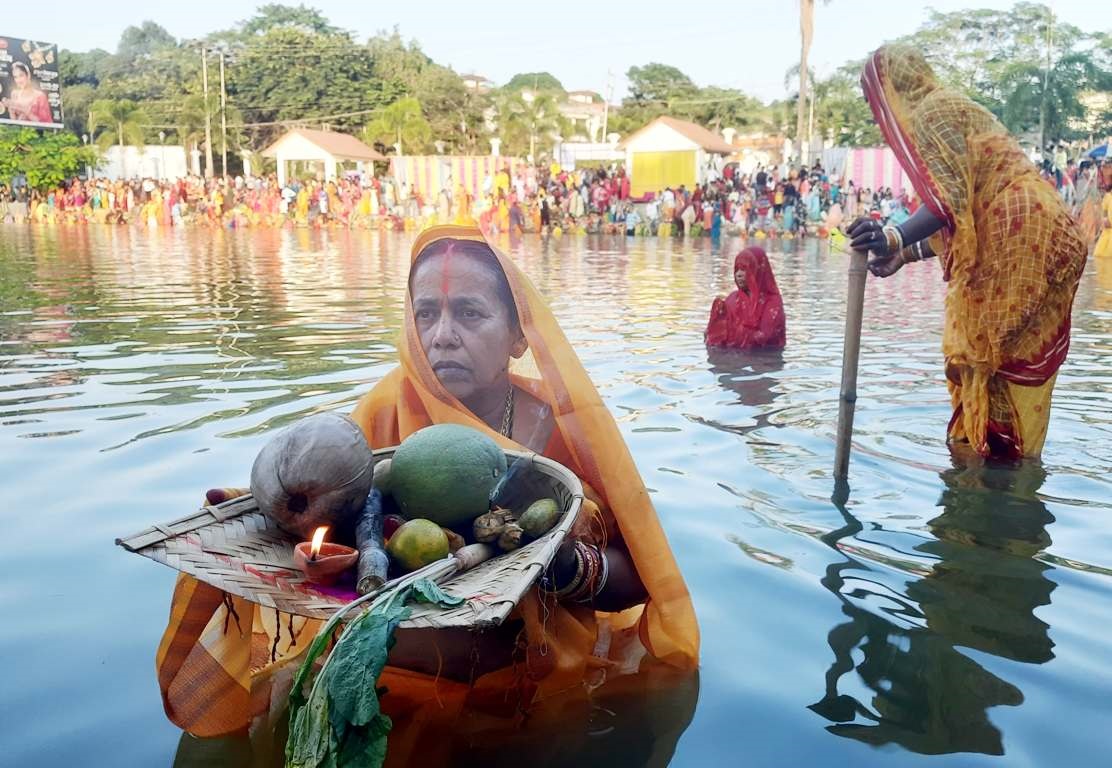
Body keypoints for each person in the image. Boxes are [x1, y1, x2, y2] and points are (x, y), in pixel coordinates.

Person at [155, 226, 699, 759]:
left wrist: (555, 566)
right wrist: (269, 516)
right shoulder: (387, 409)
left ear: (517, 335)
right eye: (426, 314)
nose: (441, 335)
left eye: (469, 312)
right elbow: (321, 499)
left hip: (523, 690)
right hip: (380, 682)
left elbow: (640, 581)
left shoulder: (564, 430)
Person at [849, 44, 1086, 460]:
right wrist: (903, 255)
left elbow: (947, 201)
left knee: (983, 358)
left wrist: (892, 237)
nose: (876, 113)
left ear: (890, 88)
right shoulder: (954, 106)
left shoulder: (932, 114)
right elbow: (963, 217)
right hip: (1042, 230)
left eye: (873, 100)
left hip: (1019, 233)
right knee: (1008, 363)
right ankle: (1002, 472)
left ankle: (992, 477)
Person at [705, 246, 786, 350]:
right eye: (736, 269)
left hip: (765, 359)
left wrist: (729, 330)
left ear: (759, 270)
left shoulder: (773, 302)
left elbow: (765, 337)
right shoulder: (733, 299)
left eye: (744, 269)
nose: (738, 274)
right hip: (733, 357)